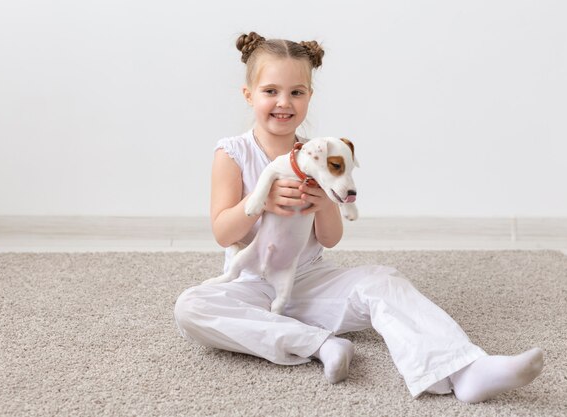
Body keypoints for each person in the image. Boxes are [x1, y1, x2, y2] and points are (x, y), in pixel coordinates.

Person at [174, 31, 544, 403]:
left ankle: (465, 369)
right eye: (270, 91)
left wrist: (325, 203)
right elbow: (224, 233)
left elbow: (331, 239)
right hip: (251, 281)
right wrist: (261, 200)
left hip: (308, 280)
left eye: (296, 92)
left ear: (309, 97)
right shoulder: (233, 152)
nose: (283, 102)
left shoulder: (321, 155)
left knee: (383, 281)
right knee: (192, 307)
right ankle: (319, 345)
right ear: (249, 94)